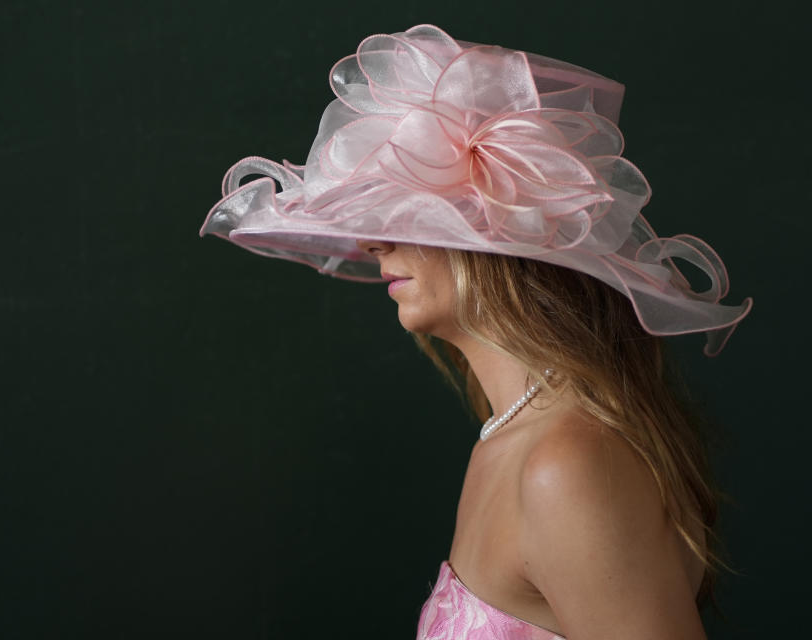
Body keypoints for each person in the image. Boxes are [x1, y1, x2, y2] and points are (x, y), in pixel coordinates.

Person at [201, 24, 753, 639]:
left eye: (405, 214)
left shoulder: (566, 465)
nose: (372, 240)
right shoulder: (512, 439)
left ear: (488, 240)